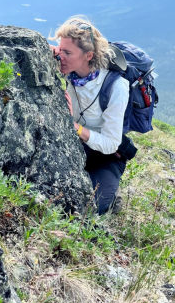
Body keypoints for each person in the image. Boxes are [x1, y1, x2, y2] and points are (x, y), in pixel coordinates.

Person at [50, 17, 129, 214]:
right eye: (60, 50)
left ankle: (112, 195)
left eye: (67, 52)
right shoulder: (68, 71)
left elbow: (111, 144)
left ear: (88, 55)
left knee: (89, 209)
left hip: (106, 156)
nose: (61, 57)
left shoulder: (116, 86)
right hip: (76, 146)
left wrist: (75, 127)